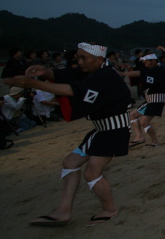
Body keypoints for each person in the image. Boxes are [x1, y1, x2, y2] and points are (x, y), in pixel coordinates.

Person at [5, 42, 131, 226]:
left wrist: (32, 83)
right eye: (78, 57)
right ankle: (63, 211)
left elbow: (73, 90)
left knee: (92, 173)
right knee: (70, 162)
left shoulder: (106, 75)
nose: (79, 62)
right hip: (101, 130)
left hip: (114, 130)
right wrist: (45, 72)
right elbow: (68, 75)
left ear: (99, 59)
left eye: (83, 58)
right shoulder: (95, 71)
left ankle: (109, 209)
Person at [119, 54, 165, 148]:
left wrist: (123, 74)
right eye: (144, 63)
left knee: (144, 122)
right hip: (150, 100)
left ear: (154, 61)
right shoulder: (153, 70)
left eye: (147, 62)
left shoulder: (158, 69)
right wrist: (130, 67)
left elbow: (140, 73)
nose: (145, 65)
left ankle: (155, 141)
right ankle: (139, 137)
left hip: (156, 100)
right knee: (132, 115)